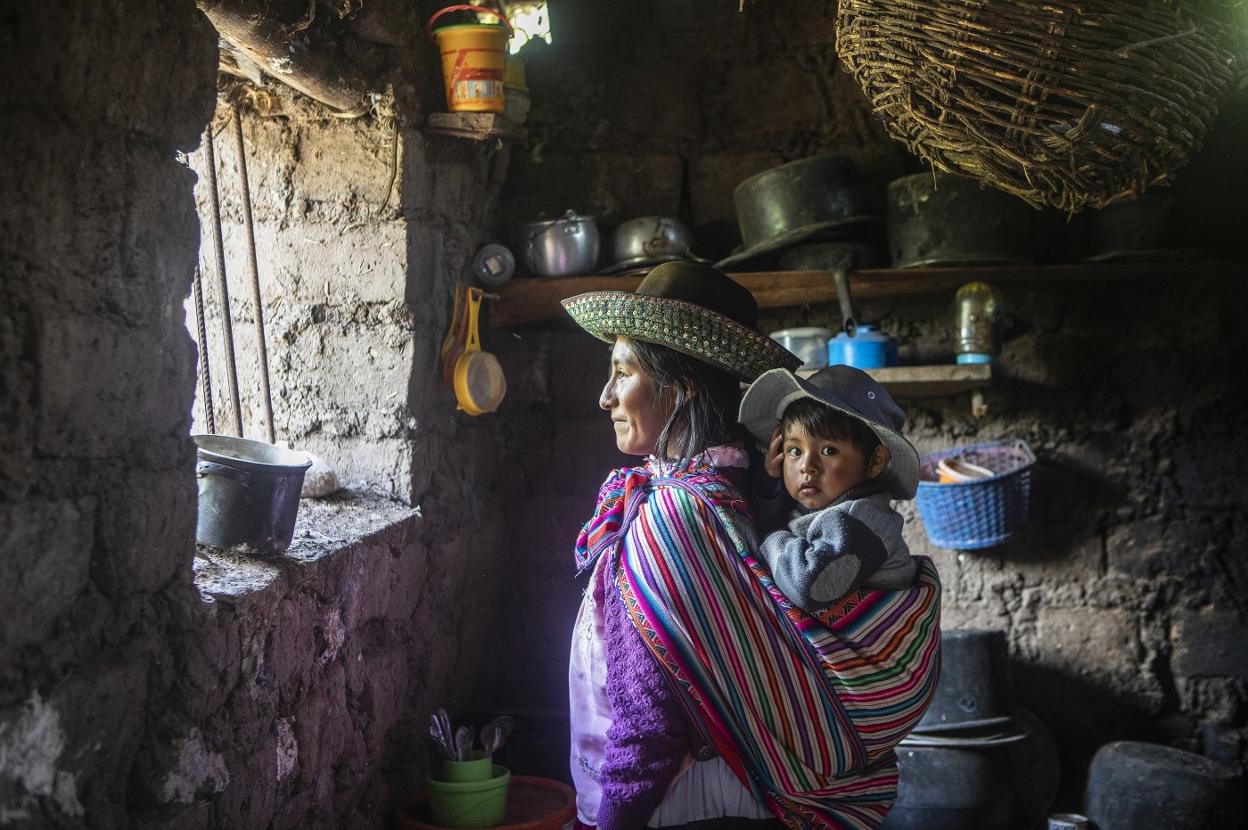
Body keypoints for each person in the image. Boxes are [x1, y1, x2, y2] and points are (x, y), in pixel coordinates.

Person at [561, 261, 941, 830]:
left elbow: (650, 720)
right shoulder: (751, 492)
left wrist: (613, 819)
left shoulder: (677, 517)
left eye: (622, 372)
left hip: (688, 807)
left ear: (681, 387)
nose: (605, 396)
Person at [739, 366, 921, 615]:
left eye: (829, 451)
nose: (807, 467)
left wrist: (770, 538)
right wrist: (771, 480)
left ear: (876, 461)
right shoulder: (826, 503)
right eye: (795, 451)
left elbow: (808, 587)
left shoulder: (861, 517)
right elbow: (783, 517)